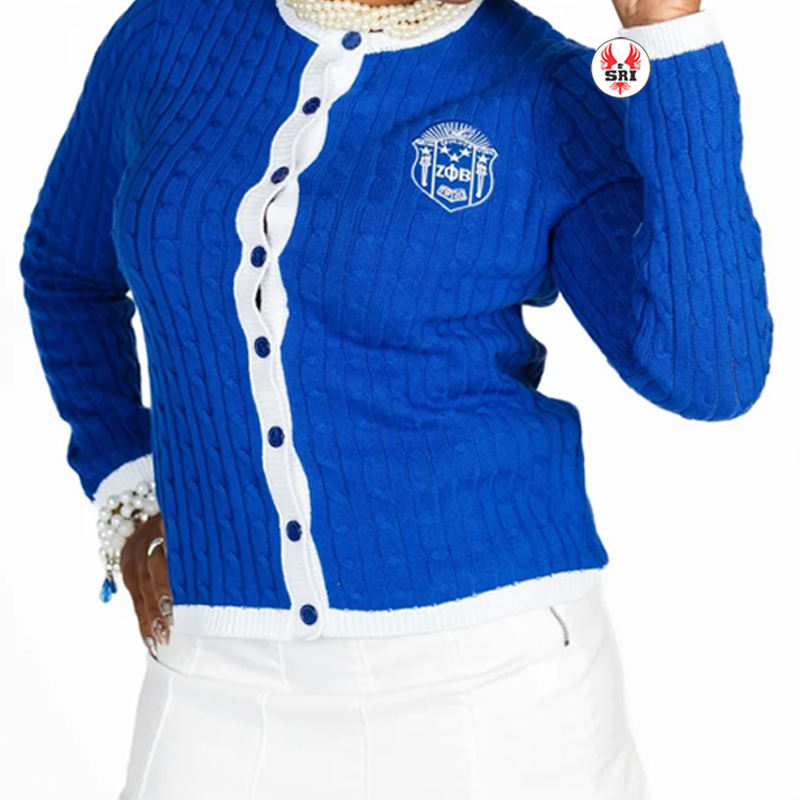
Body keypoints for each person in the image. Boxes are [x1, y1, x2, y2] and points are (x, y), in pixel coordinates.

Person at [19, 0, 772, 796]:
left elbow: (710, 374)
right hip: (218, 675)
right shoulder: (166, 35)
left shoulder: (547, 89)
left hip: (497, 683)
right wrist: (129, 487)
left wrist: (665, 30)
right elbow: (67, 272)